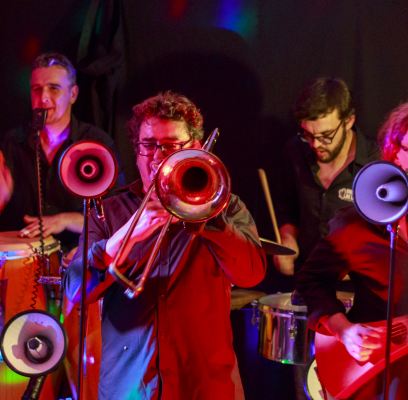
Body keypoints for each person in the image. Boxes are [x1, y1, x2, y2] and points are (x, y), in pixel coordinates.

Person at [64, 91, 266, 400]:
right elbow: (76, 290)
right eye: (148, 145)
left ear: (196, 148)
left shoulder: (224, 206)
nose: (158, 157)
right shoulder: (108, 211)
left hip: (204, 387)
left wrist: (208, 217)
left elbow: (251, 274)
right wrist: (129, 234)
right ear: (136, 151)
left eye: (171, 145)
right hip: (130, 388)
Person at [296, 94, 408, 399]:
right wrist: (344, 330)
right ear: (395, 154)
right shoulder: (357, 223)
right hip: (374, 374)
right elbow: (311, 280)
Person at [0, 52, 124, 251]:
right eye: (37, 89)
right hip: (25, 259)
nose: (43, 97)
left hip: (79, 256)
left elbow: (117, 219)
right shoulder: (11, 142)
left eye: (54, 88)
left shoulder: (96, 143)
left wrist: (65, 220)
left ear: (73, 94)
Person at [274, 77, 378, 276]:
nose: (315, 144)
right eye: (308, 134)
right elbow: (287, 210)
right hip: (307, 281)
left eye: (326, 135)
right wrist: (287, 239)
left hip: (357, 286)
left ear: (349, 121)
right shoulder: (295, 151)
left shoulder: (376, 164)